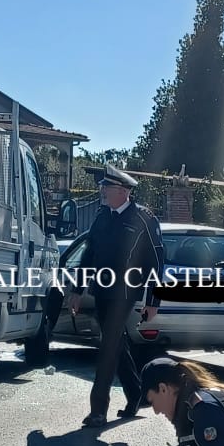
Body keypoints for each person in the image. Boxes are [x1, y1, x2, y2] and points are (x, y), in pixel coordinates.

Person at [67, 165, 166, 429]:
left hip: (125, 292)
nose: (102, 192)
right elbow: (89, 256)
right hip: (102, 291)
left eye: (106, 188)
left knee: (108, 346)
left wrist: (153, 300)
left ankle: (98, 410)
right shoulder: (102, 217)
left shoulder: (143, 218)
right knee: (115, 343)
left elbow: (157, 262)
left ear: (122, 191)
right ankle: (136, 393)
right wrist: (77, 290)